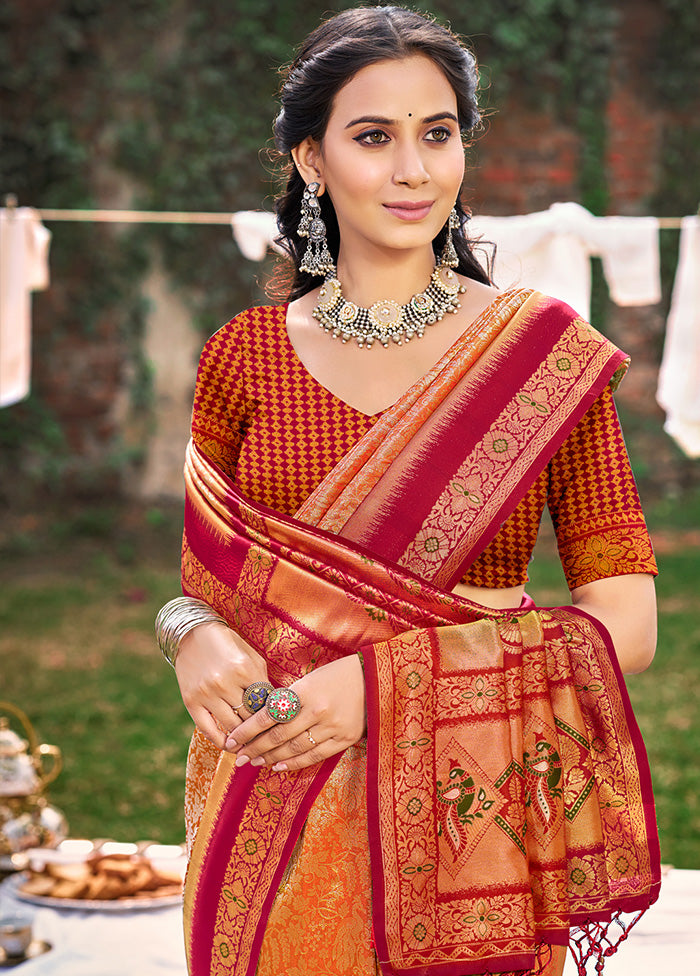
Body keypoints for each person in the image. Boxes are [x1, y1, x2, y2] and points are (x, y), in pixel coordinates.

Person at [155, 7, 660, 976]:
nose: (413, 170)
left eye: (437, 134)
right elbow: (200, 587)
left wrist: (380, 686)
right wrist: (191, 637)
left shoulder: (541, 357)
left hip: (471, 826)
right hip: (269, 817)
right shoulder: (243, 357)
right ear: (311, 159)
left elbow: (626, 623)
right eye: (372, 137)